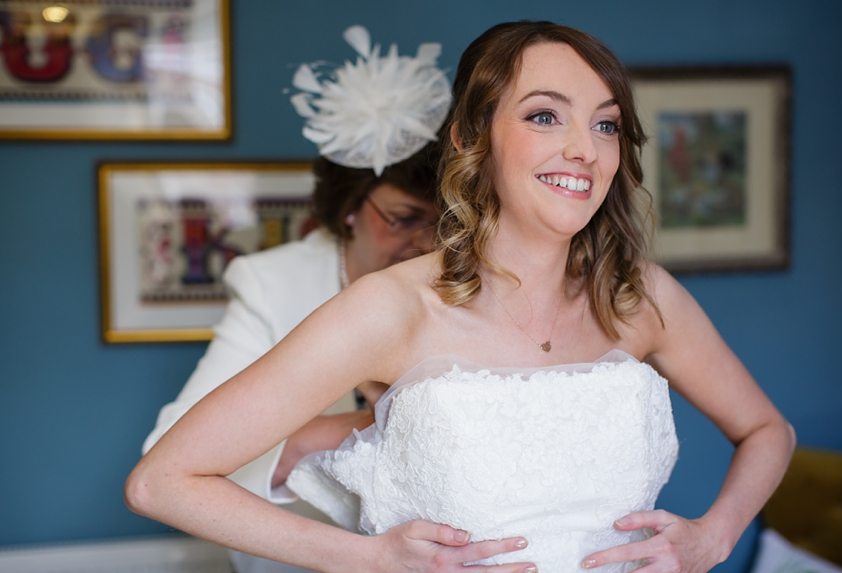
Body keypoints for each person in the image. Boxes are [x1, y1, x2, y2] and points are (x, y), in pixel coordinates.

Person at [127, 20, 795, 573]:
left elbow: (770, 430)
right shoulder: (391, 308)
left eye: (606, 125)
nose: (583, 150)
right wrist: (369, 557)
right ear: (472, 137)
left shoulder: (639, 294)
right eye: (544, 116)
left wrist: (714, 534)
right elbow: (161, 479)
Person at [139, 25, 451, 573]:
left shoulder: (466, 283)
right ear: (350, 207)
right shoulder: (271, 284)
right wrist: (331, 435)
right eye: (403, 219)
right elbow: (164, 459)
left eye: (445, 225)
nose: (425, 243)